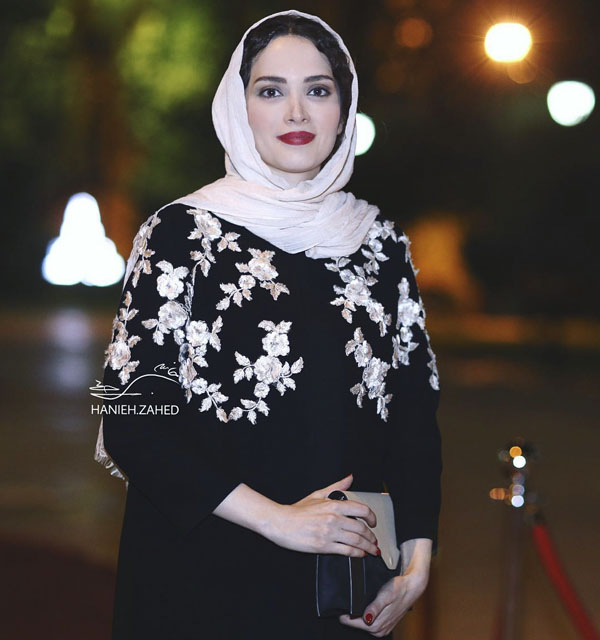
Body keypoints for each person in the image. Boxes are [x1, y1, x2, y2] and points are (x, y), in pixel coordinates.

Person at [94, 9, 442, 639]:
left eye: (318, 90)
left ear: (344, 106)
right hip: (202, 580)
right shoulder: (180, 234)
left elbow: (413, 417)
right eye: (271, 91)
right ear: (239, 106)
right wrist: (279, 520)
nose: (297, 113)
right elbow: (133, 423)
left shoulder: (379, 244)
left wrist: (417, 559)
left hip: (340, 588)